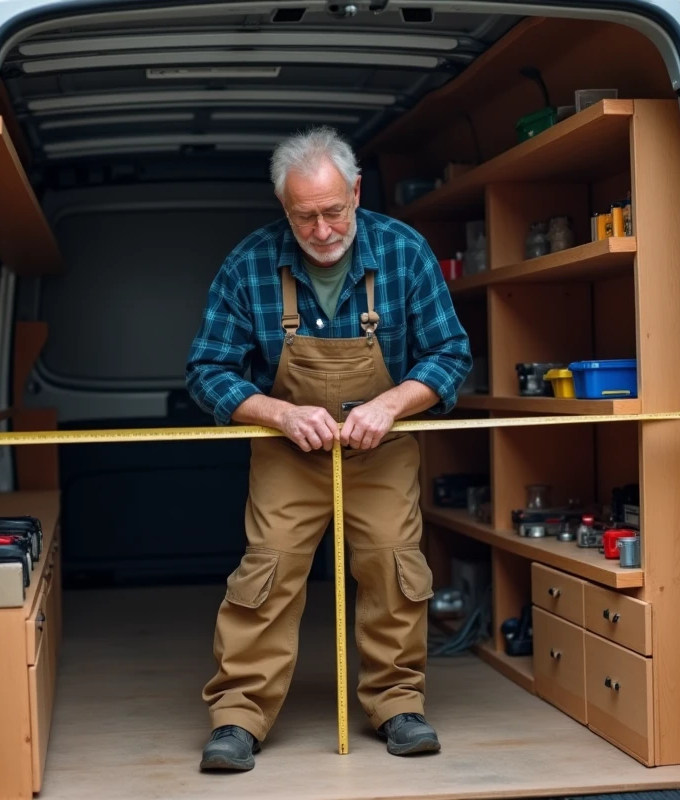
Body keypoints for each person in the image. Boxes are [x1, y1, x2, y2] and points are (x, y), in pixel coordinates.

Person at [185, 126, 472, 771]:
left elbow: (451, 354)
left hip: (383, 445)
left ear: (357, 192)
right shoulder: (250, 262)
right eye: (305, 216)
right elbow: (208, 369)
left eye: (334, 211)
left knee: (394, 569)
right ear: (284, 209)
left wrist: (390, 404)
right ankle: (238, 717)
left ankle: (398, 703)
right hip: (289, 450)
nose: (321, 230)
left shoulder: (404, 252)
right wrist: (278, 411)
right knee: (268, 572)